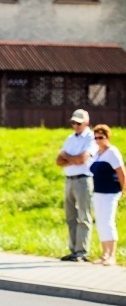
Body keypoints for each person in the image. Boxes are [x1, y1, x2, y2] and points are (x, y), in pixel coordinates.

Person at [56, 109, 97, 262]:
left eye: (79, 123)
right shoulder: (70, 138)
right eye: (73, 123)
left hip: (83, 179)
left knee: (83, 216)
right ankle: (73, 250)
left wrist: (68, 157)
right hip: (69, 179)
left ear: (86, 122)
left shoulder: (91, 138)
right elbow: (59, 161)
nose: (76, 126)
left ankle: (82, 251)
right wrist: (71, 158)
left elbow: (82, 159)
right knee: (71, 216)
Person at [90, 124, 125, 266]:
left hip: (111, 192)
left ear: (107, 137)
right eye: (96, 138)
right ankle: (104, 253)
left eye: (101, 137)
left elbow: (121, 172)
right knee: (100, 222)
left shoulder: (112, 152)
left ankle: (112, 255)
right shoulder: (97, 154)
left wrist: (124, 189)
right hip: (98, 191)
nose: (98, 140)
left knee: (108, 221)